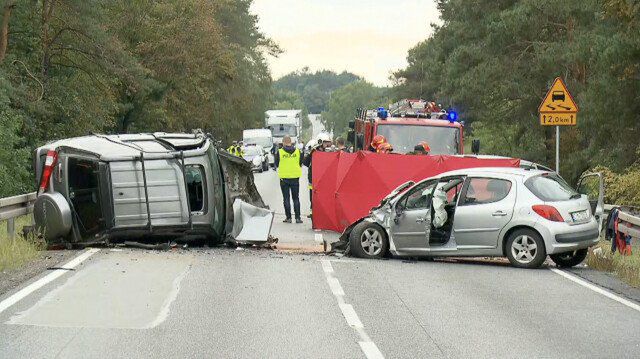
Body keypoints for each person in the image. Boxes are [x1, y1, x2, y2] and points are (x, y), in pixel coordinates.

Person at [303, 133, 332, 219]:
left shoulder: (328, 153)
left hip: (324, 179)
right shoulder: (314, 152)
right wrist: (310, 153)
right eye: (326, 143)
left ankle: (323, 212)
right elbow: (305, 163)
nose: (327, 145)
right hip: (313, 178)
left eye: (328, 143)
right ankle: (313, 212)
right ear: (320, 142)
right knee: (312, 196)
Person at [275, 136, 303, 223]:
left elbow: (277, 164)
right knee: (296, 198)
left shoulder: (279, 152)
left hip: (284, 179)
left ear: (283, 142)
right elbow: (300, 162)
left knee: (286, 198)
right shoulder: (298, 151)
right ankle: (298, 218)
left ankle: (289, 218)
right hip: (295, 178)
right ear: (291, 142)